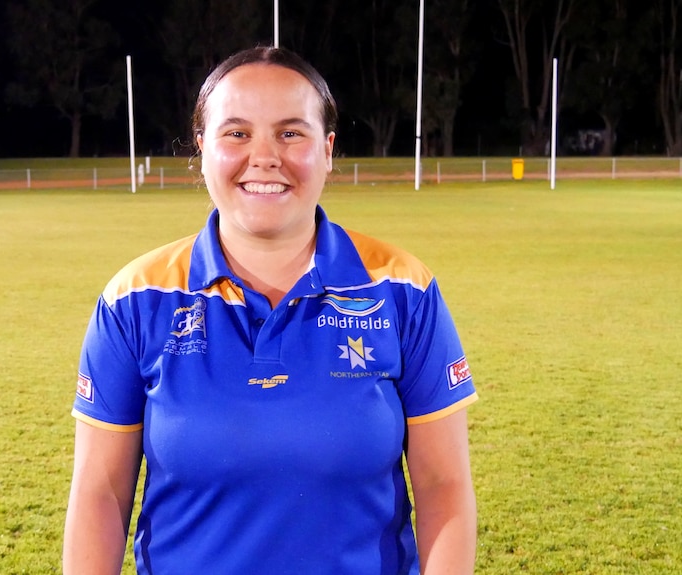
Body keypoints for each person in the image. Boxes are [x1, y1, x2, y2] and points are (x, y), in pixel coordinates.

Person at [63, 46, 478, 575]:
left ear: (327, 149)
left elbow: (445, 487)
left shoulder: (402, 289)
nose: (264, 157)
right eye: (236, 133)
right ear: (203, 148)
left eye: (290, 132)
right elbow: (99, 494)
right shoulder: (135, 299)